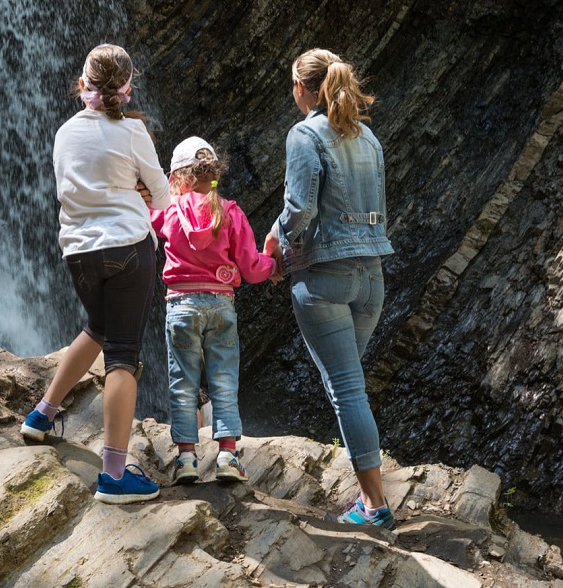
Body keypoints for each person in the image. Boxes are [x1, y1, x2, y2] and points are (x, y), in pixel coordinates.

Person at [21, 43, 172, 505]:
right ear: (128, 88)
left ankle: (42, 415)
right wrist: (140, 189)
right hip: (127, 249)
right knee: (123, 355)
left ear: (82, 83)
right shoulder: (132, 132)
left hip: (78, 254)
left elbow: (71, 189)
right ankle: (113, 474)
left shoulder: (64, 132)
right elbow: (164, 196)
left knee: (98, 328)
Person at [263, 48, 396, 528]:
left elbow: (301, 208)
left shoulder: (303, 134)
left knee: (346, 390)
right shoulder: (369, 139)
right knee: (350, 386)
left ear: (302, 89)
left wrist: (277, 242)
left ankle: (375, 506)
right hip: (371, 279)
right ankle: (371, 496)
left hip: (325, 278)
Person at [151, 137, 278, 486]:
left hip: (180, 305)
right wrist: (273, 264)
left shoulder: (169, 211)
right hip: (221, 305)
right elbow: (252, 268)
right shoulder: (230, 211)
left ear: (177, 176)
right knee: (223, 381)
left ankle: (187, 459)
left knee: (182, 384)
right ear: (214, 174)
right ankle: (227, 456)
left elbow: (144, 217)